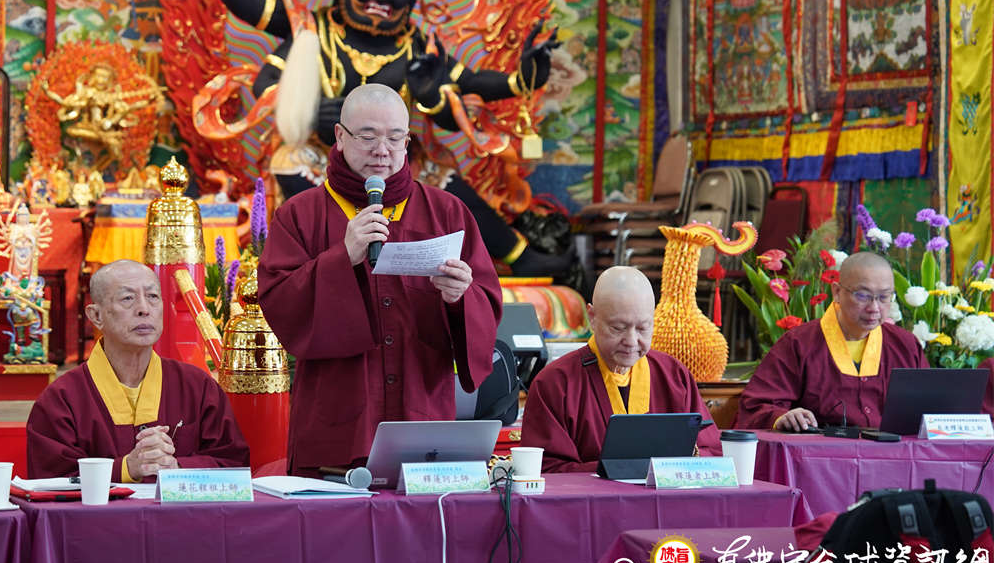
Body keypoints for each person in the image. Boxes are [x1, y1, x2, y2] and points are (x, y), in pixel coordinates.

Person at [187, 0, 570, 277]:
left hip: (397, 164)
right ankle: (331, 263)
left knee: (450, 188)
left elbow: (471, 83)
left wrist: (523, 78)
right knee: (291, 163)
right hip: (325, 158)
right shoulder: (313, 32)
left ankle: (518, 256)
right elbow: (254, 14)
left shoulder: (417, 46)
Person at [256, 84, 502, 474]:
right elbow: (280, 304)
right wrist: (343, 257)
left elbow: (486, 302)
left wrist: (460, 298)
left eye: (395, 137)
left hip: (421, 415)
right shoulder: (300, 215)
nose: (382, 150)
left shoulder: (447, 212)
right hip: (336, 425)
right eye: (368, 136)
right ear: (340, 137)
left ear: (407, 142)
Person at [25, 259, 249, 481]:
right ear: (96, 316)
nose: (144, 309)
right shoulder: (61, 399)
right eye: (128, 298)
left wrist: (178, 467)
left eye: (152, 297)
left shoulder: (197, 386)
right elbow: (50, 482)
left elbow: (233, 463)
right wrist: (125, 469)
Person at [520, 266, 720, 473]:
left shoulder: (674, 375)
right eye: (618, 328)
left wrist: (687, 457)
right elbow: (545, 469)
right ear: (592, 317)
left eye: (643, 328)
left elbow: (711, 451)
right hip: (592, 495)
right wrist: (627, 468)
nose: (631, 341)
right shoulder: (555, 383)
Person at [735, 251, 928, 431]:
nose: (874, 308)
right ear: (837, 292)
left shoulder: (905, 345)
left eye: (884, 297)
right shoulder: (799, 343)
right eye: (863, 296)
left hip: (891, 454)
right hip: (820, 454)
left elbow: (930, 410)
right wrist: (781, 417)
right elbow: (757, 406)